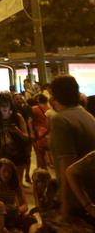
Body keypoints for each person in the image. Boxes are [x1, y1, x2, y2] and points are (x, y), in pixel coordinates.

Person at [47, 75, 95, 223]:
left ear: (55, 97)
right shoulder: (88, 116)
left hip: (77, 203)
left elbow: (67, 165)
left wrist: (65, 209)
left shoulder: (61, 120)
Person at [0, 93, 29, 183]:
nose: (4, 108)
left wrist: (17, 131)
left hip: (17, 155)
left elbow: (26, 137)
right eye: (2, 105)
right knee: (0, 182)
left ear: (10, 105)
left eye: (7, 105)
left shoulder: (17, 117)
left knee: (17, 183)